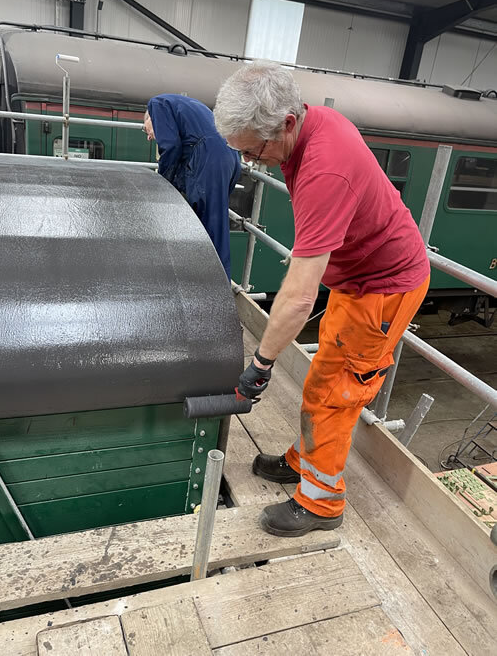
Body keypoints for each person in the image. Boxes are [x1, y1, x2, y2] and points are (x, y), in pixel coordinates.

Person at [213, 62, 430, 537]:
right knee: (324, 378)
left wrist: (262, 363)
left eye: (254, 150)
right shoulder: (306, 128)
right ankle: (303, 461)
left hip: (383, 288)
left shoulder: (324, 166)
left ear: (287, 123)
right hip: (357, 280)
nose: (252, 163)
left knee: (333, 395)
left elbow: (296, 297)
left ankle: (321, 502)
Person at [143, 94, 241, 280]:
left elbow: (170, 146)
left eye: (145, 130)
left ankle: (214, 285)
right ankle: (212, 281)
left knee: (211, 228)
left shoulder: (156, 104)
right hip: (228, 155)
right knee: (213, 222)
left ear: (149, 117)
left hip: (209, 156)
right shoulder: (183, 106)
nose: (149, 137)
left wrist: (162, 185)